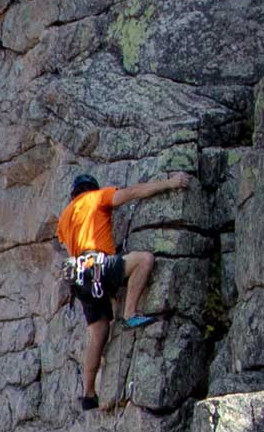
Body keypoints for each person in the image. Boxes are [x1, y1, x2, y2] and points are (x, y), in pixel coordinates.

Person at [56, 171, 190, 411]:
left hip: (80, 279)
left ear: (73, 193)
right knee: (144, 260)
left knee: (98, 333)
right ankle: (129, 314)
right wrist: (169, 183)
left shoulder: (65, 217)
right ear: (91, 188)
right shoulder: (97, 197)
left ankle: (88, 393)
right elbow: (133, 193)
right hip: (98, 266)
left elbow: (71, 251)